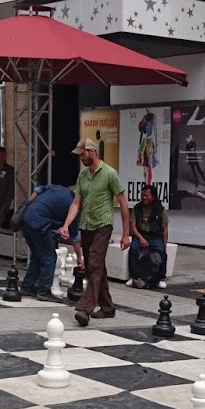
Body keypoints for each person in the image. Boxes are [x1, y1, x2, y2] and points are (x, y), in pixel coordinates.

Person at [58, 137, 132, 327]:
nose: (81, 158)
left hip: (103, 225)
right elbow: (76, 203)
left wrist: (126, 234)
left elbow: (123, 204)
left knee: (94, 265)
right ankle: (107, 307)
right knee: (96, 267)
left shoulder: (110, 174)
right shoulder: (82, 176)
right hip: (86, 225)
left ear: (92, 151)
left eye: (83, 154)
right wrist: (66, 225)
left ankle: (85, 308)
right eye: (79, 155)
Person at [20, 184, 79, 301]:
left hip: (26, 218)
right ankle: (44, 291)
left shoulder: (58, 188)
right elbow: (74, 237)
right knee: (49, 257)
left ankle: (27, 286)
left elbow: (38, 190)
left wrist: (28, 205)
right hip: (39, 224)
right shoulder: (73, 207)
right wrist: (80, 257)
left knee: (37, 255)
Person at [126, 183, 169, 289]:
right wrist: (141, 238)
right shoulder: (137, 208)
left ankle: (161, 278)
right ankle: (133, 276)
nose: (144, 197)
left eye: (146, 195)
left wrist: (164, 243)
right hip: (140, 234)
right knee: (133, 249)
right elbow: (133, 226)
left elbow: (165, 229)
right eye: (143, 195)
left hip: (155, 236)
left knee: (162, 251)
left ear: (153, 197)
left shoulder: (161, 209)